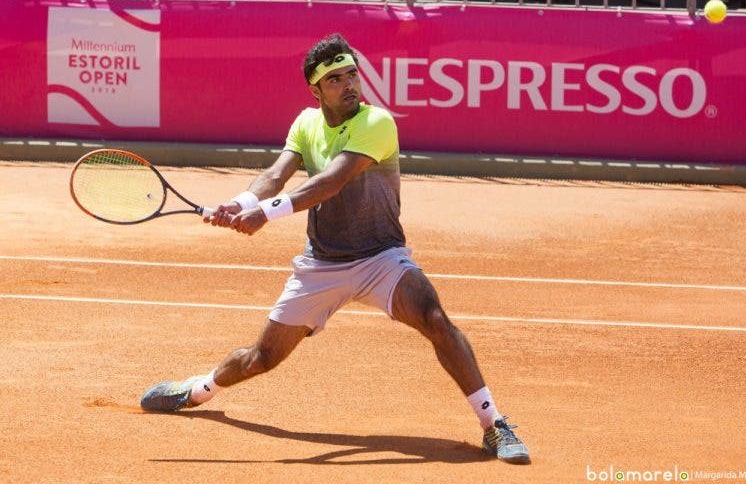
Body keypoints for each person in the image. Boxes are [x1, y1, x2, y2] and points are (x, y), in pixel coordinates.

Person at [139, 33, 530, 465]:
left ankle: (493, 425)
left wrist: (265, 215)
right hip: (321, 265)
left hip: (381, 258)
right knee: (261, 358)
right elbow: (275, 175)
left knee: (433, 317)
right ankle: (196, 390)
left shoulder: (377, 122)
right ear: (316, 89)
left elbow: (333, 180)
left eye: (352, 76)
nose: (349, 86)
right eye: (335, 80)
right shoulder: (306, 123)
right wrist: (243, 202)